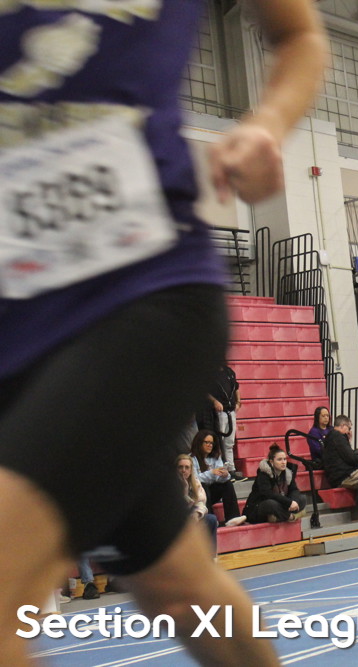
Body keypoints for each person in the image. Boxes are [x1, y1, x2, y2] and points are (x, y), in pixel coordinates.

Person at [0, 2, 326, 663]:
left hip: (144, 298)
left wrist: (266, 123)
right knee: (179, 588)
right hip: (17, 334)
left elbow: (299, 33)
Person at [191, 430, 248, 528]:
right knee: (203, 485)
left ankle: (232, 517)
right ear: (199, 443)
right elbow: (195, 480)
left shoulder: (215, 457)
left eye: (211, 443)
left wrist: (225, 475)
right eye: (207, 442)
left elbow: (218, 478)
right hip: (197, 495)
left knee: (227, 483)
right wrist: (211, 473)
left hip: (212, 492)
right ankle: (209, 519)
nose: (210, 445)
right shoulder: (192, 458)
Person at [243, 445, 305, 524]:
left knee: (302, 498)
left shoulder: (288, 473)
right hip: (259, 507)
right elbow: (268, 494)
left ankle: (277, 517)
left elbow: (294, 489)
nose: (283, 462)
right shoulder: (263, 474)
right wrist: (288, 502)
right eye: (279, 459)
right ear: (271, 462)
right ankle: (291, 517)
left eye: (285, 459)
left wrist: (293, 502)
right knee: (271, 504)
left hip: (281, 503)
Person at [177, 453, 219, 556]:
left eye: (187, 467)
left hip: (192, 515)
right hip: (176, 518)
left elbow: (201, 502)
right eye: (180, 467)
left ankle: (211, 557)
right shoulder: (171, 485)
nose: (183, 470)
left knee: (211, 519)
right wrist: (185, 490)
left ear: (191, 470)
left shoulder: (195, 483)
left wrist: (197, 514)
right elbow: (178, 506)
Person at [208, 364, 244, 480]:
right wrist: (214, 401)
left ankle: (231, 469)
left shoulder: (229, 372)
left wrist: (238, 402)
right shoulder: (210, 373)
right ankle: (220, 469)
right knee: (219, 441)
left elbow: (236, 388)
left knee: (229, 442)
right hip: (219, 411)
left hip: (231, 410)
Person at [322, 415, 358, 490]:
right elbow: (351, 458)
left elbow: (346, 455)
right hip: (343, 477)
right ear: (342, 426)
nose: (349, 432)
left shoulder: (332, 436)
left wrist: (348, 441)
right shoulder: (337, 436)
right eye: (349, 428)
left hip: (340, 475)